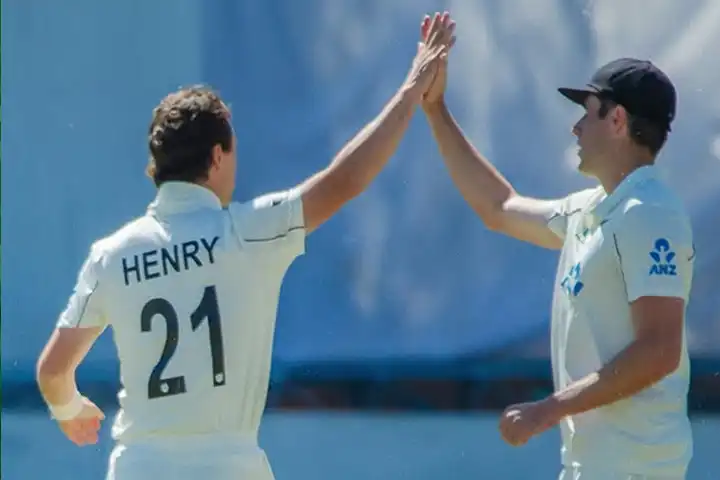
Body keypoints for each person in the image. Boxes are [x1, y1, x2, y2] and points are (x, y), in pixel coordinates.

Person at [35, 16, 455, 480]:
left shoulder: (110, 255)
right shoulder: (250, 232)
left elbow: (52, 370)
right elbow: (345, 180)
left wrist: (69, 408)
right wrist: (411, 89)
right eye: (233, 151)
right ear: (216, 156)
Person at [420, 13, 694, 480]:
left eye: (587, 113)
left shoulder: (649, 213)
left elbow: (660, 349)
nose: (576, 128)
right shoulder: (593, 208)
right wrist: (435, 108)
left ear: (618, 120)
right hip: (597, 466)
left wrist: (548, 410)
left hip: (635, 469)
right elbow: (498, 206)